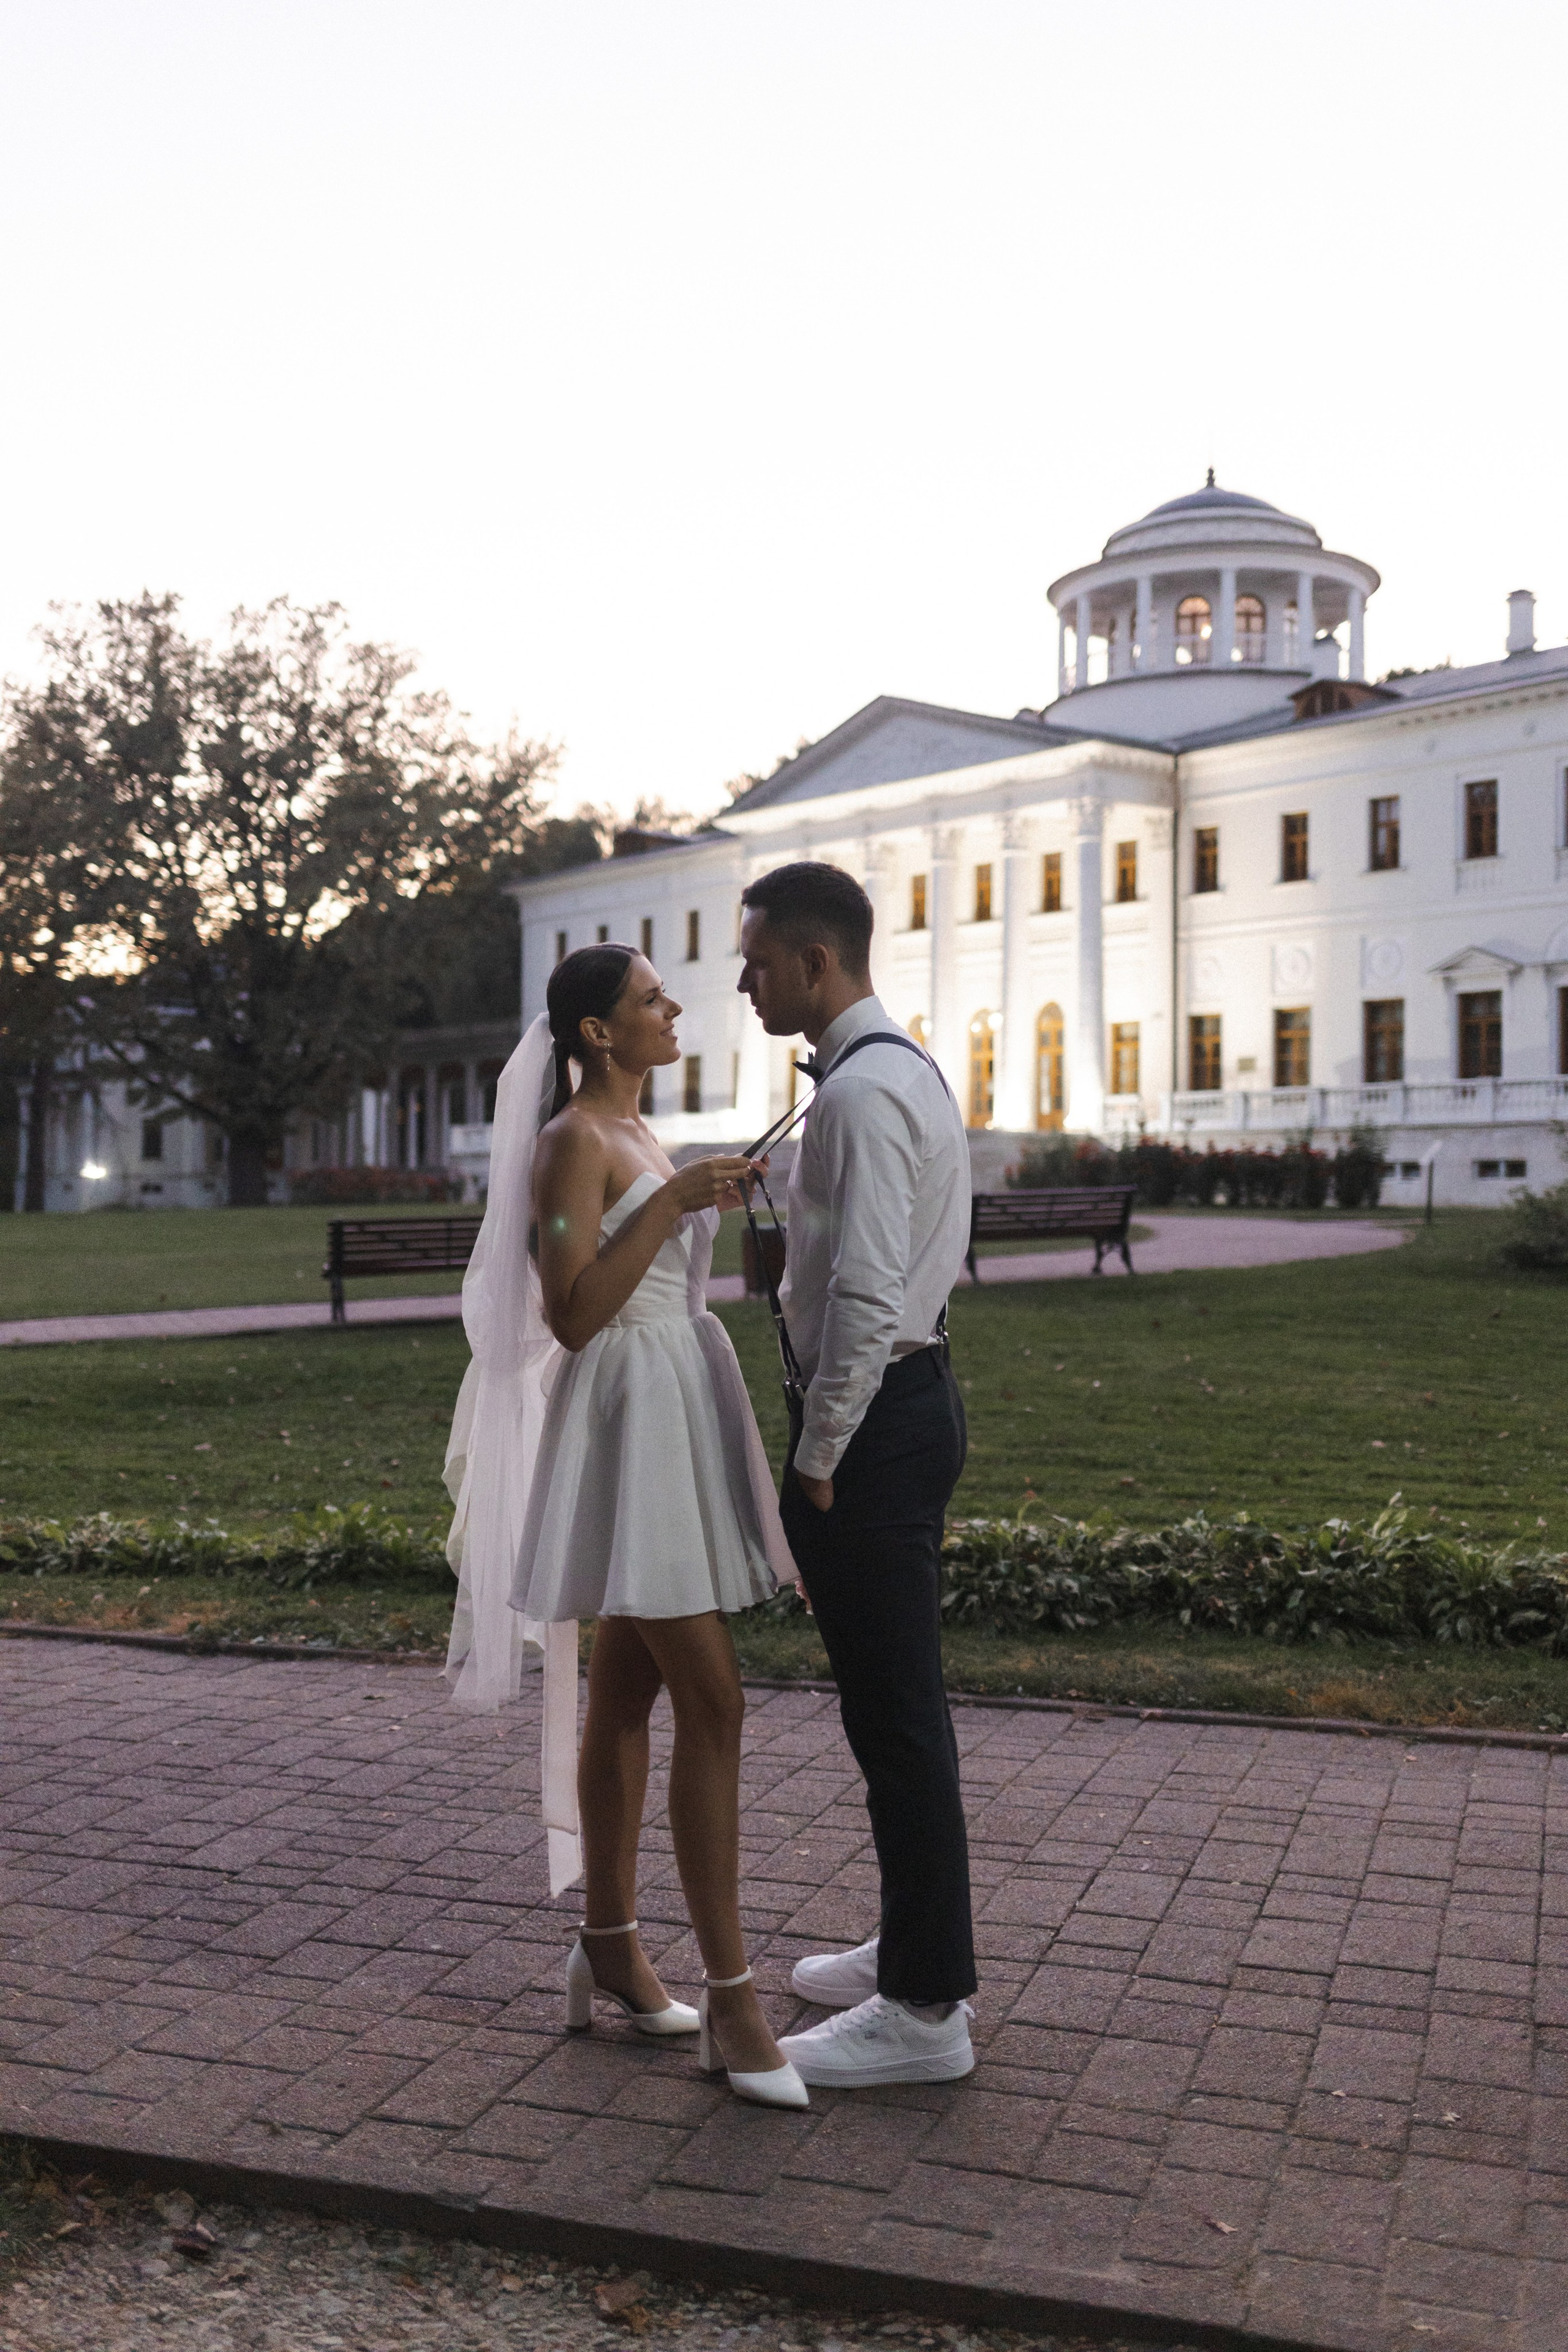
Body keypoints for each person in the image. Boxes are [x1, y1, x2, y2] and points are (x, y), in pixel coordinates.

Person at [442, 943, 807, 2111]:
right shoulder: (573, 1143)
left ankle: (607, 1944)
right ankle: (734, 1996)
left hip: (679, 1404)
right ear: (599, 1033)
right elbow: (574, 1309)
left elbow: (654, 1275)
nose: (675, 1008)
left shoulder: (648, 1136)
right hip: (627, 1421)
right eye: (652, 1000)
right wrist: (671, 1203)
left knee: (631, 1696)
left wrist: (694, 1190)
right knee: (717, 1701)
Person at [736, 862, 976, 2088]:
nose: (743, 980)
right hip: (899, 1407)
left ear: (816, 965)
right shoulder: (896, 1073)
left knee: (895, 1720)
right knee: (891, 1717)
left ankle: (925, 2012)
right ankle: (914, 1944)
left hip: (872, 1426)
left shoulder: (864, 1096)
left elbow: (870, 1296)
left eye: (759, 962)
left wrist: (819, 1457)